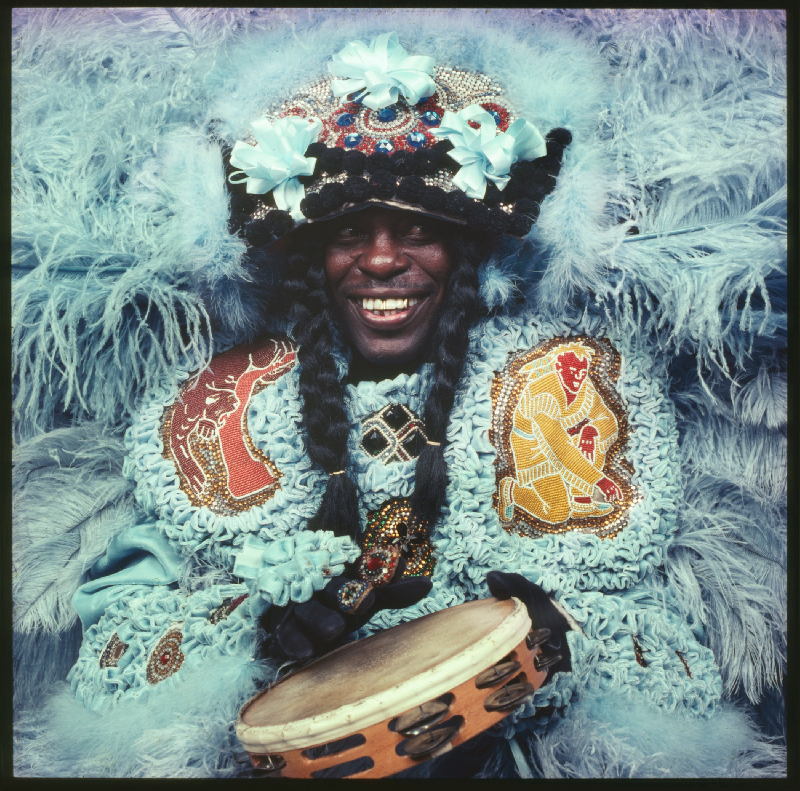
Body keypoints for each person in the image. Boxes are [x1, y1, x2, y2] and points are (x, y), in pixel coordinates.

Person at [12, 13, 786, 779]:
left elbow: (667, 657)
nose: (382, 260)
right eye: (351, 231)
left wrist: (549, 641)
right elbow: (120, 639)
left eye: (417, 229)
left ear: (467, 249)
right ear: (313, 256)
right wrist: (256, 635)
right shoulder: (221, 408)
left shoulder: (567, 389)